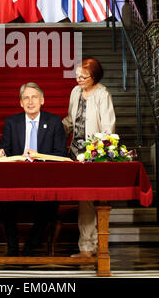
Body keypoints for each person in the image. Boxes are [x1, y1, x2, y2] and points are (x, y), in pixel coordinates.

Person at [0, 82, 67, 256]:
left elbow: (61, 154)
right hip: (16, 180)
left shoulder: (54, 121)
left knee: (51, 202)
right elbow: (7, 151)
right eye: (26, 97)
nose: (30, 101)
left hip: (45, 180)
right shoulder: (12, 122)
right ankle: (12, 248)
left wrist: (39, 155)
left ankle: (30, 246)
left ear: (42, 100)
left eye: (34, 97)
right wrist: (0, 154)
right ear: (20, 102)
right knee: (4, 199)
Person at [62, 57, 116, 258]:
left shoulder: (103, 94)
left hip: (94, 155)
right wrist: (52, 129)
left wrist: (94, 153)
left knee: (90, 200)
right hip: (75, 153)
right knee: (83, 200)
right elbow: (70, 120)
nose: (78, 80)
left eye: (83, 77)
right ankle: (88, 247)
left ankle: (92, 247)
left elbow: (108, 130)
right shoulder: (75, 92)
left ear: (95, 77)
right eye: (77, 76)